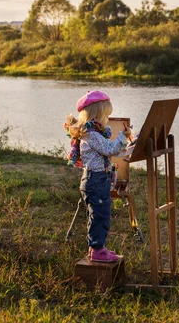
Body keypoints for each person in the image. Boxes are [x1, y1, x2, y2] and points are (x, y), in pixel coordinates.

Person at [65, 90, 132, 263]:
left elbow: (108, 149)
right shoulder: (92, 135)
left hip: (97, 180)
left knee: (99, 214)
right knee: (99, 216)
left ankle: (97, 247)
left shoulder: (94, 134)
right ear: (96, 115)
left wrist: (125, 143)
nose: (108, 119)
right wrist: (122, 137)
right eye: (106, 115)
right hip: (95, 180)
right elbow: (109, 149)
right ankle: (97, 250)